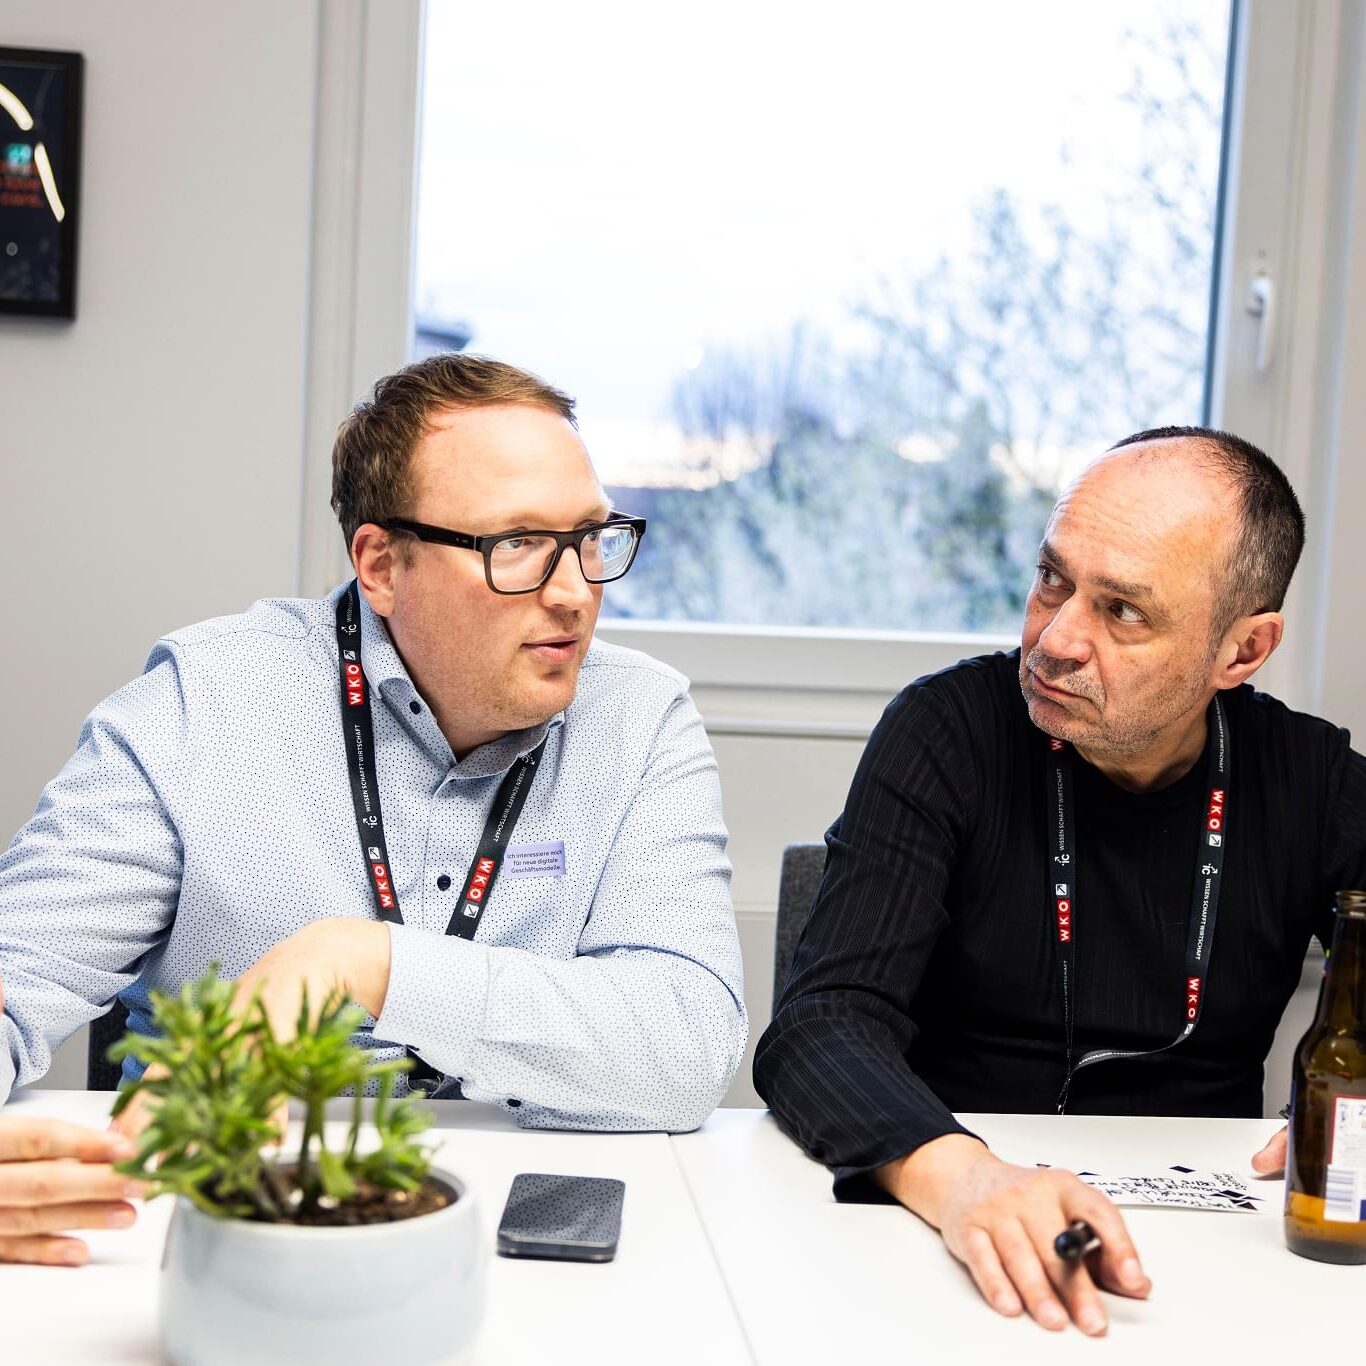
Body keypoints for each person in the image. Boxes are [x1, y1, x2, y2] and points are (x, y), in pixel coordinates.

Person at [0, 354, 747, 1264]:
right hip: (214, 1226)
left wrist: (368, 962)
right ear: (381, 564)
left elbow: (687, 1047)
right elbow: (14, 975)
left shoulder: (641, 720)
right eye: (515, 543)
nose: (574, 591)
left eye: (589, 538)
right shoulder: (204, 704)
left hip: (512, 1245)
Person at [755, 427, 1366, 1335]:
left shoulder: (1309, 779)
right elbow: (819, 1025)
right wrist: (962, 1177)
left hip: (1217, 1255)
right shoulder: (948, 731)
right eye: (1053, 580)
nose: (1054, 640)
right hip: (950, 1213)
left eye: (1124, 611)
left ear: (1241, 652)